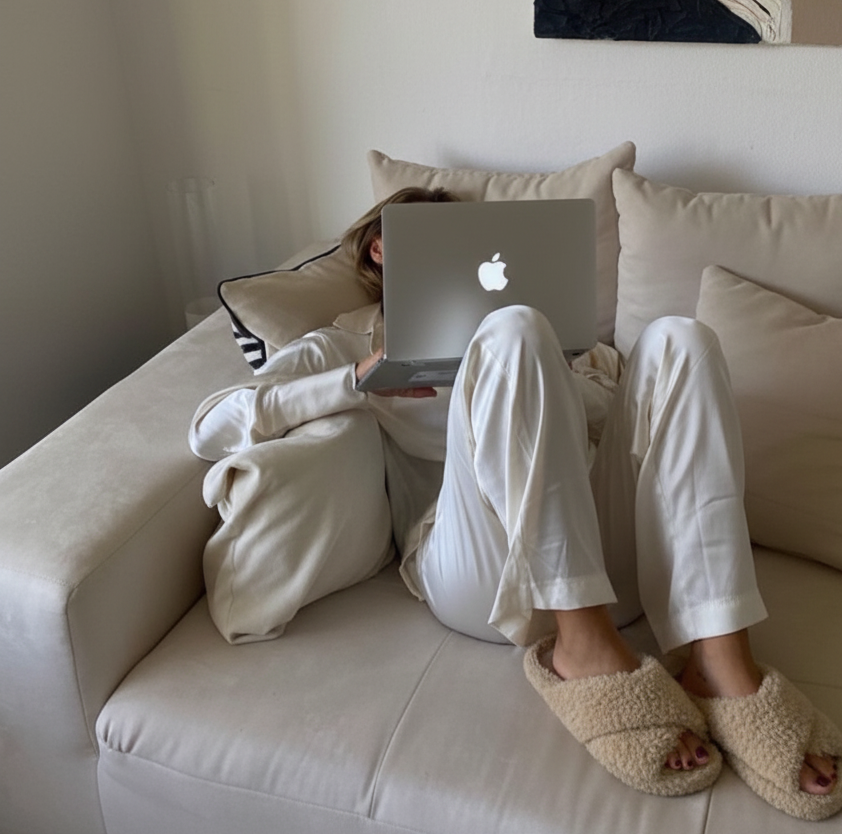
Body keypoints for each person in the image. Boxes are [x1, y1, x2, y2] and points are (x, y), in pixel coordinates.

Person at [190, 187, 841, 819]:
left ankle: (720, 662)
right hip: (471, 568)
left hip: (603, 554)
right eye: (422, 235)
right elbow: (210, 427)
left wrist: (559, 372)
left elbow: (642, 445)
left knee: (682, 339)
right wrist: (356, 383)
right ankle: (580, 647)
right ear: (379, 250)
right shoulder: (344, 342)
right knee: (511, 329)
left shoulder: (567, 342)